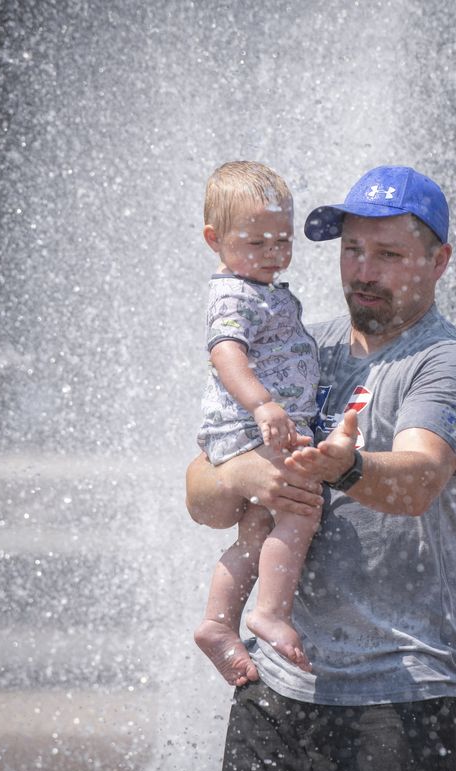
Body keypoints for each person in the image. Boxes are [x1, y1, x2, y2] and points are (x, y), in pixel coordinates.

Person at [186, 165, 456, 771]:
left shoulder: (448, 364)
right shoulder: (303, 344)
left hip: (400, 688)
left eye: (388, 254)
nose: (363, 270)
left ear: (439, 261)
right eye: (352, 249)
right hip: (275, 682)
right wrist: (248, 474)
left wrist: (346, 466)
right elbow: (201, 496)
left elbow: (417, 482)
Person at [192, 161, 321, 686]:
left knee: (256, 530)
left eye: (282, 241)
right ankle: (269, 610)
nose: (272, 253)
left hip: (251, 429)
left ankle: (216, 623)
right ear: (214, 239)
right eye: (256, 242)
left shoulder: (261, 288)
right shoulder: (232, 293)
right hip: (250, 429)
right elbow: (226, 353)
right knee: (300, 511)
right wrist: (263, 405)